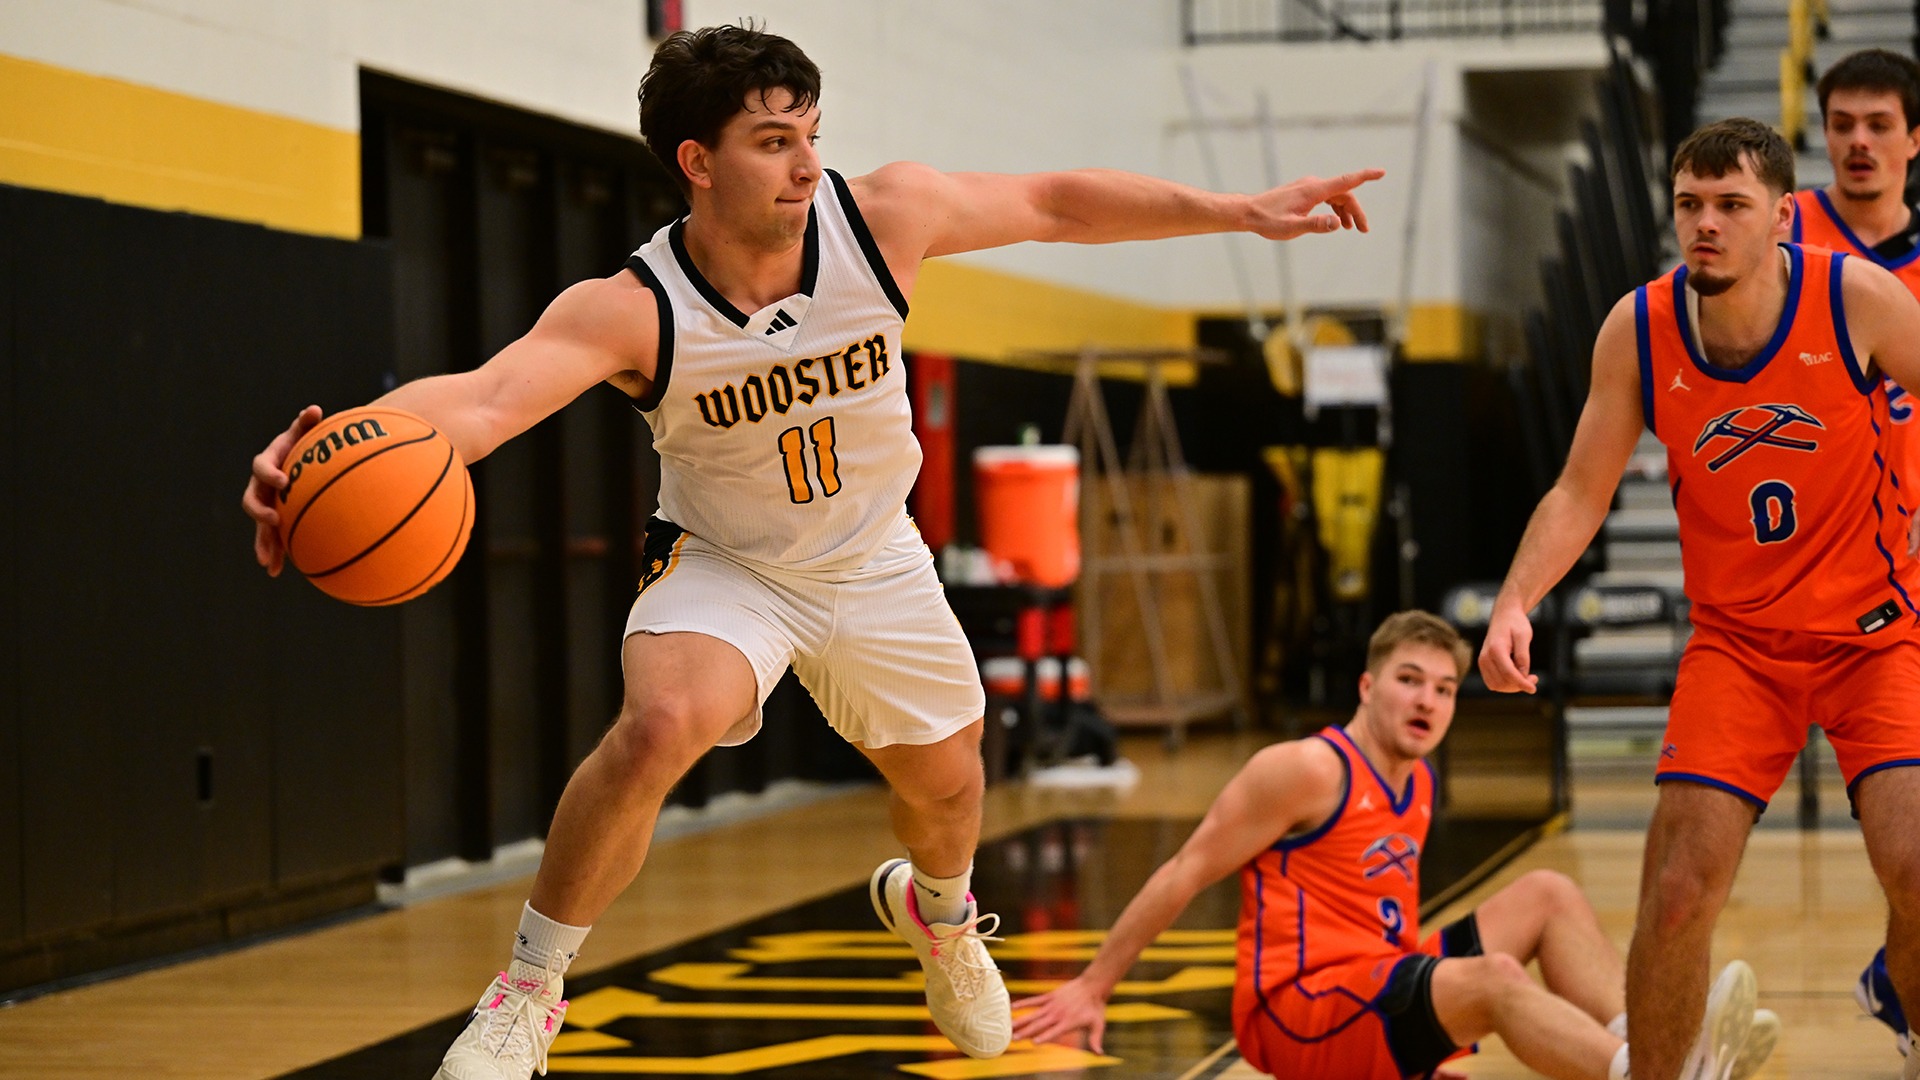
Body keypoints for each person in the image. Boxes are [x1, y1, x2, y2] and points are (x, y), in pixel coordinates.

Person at [240, 23, 1386, 1080]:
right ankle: (529, 994)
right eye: (772, 141)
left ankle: (938, 917)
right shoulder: (635, 306)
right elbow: (483, 405)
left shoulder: (884, 218)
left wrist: (1241, 210)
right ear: (696, 159)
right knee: (660, 726)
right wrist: (336, 448)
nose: (803, 165)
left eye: (810, 136)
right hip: (729, 562)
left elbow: (1056, 204)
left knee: (948, 794)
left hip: (876, 555)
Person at [1479, 116, 1920, 1080]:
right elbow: (1579, 491)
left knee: (1917, 867)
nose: (1705, 225)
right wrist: (1515, 601)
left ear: (1783, 218)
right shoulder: (1638, 328)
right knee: (1677, 890)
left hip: (1873, 639)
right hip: (1739, 647)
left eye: (1730, 205)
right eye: (1689, 205)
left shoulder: (1854, 298)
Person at [1011, 611, 1775, 1080]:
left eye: (1444, 688)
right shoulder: (1306, 770)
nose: (1428, 700)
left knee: (1548, 894)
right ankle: (1656, 1073)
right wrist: (1093, 986)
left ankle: (1655, 1049)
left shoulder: (1417, 778)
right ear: (1367, 687)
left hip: (1377, 982)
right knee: (1498, 979)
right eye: (1409, 680)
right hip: (1296, 1013)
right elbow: (1183, 871)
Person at [1791, 47, 1920, 1067]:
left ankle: (1899, 975)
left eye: (1880, 123)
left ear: (1915, 138)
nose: (1860, 142)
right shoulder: (1776, 232)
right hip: (1819, 581)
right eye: (1842, 123)